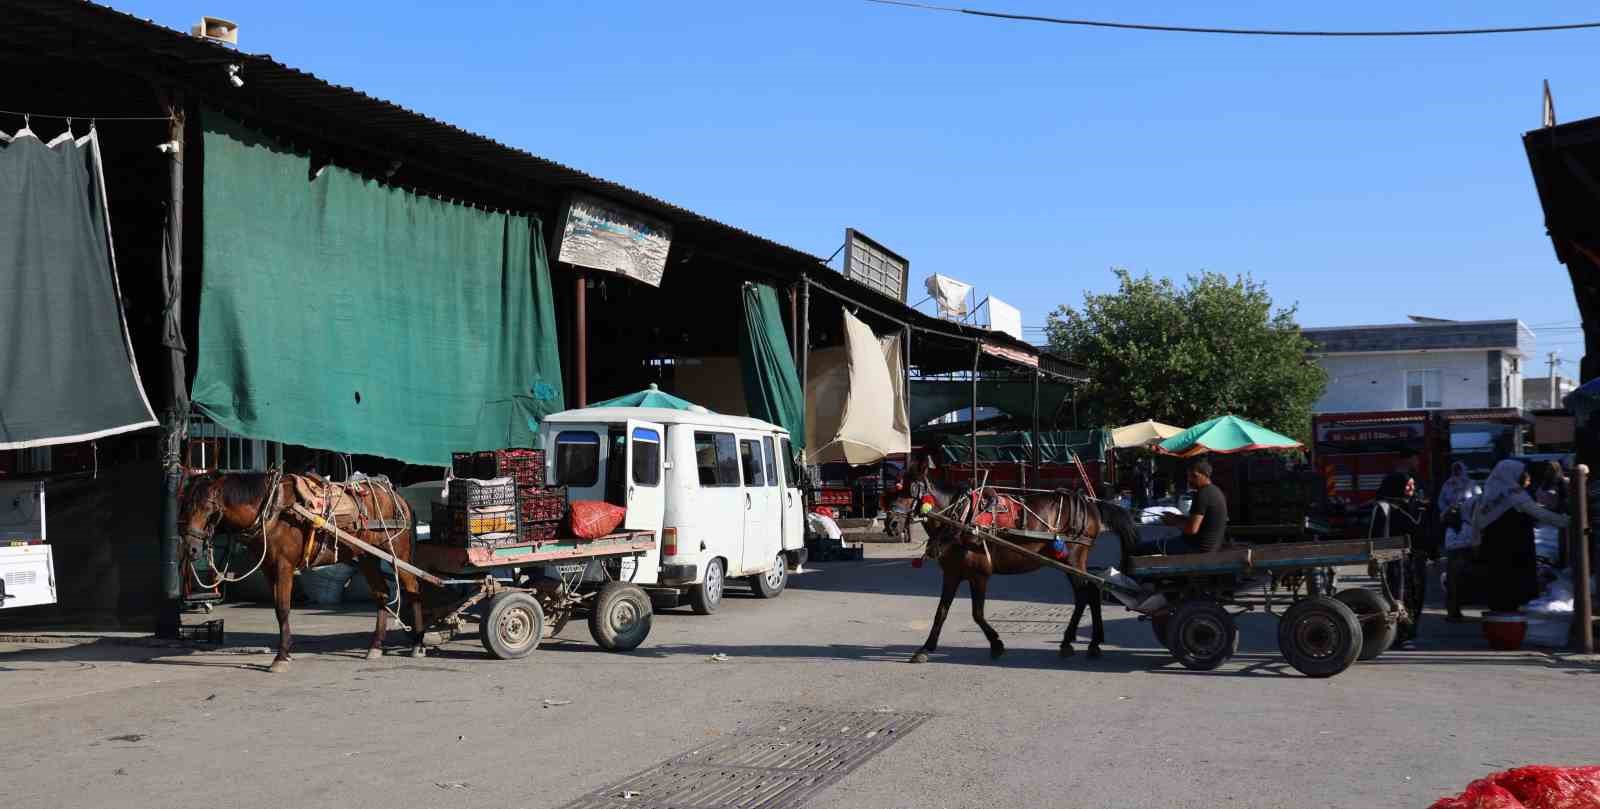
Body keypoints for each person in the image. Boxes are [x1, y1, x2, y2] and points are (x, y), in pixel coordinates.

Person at [1473, 459, 1570, 616]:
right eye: (1521, 473)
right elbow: (1539, 513)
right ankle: (1510, 623)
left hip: (1493, 550)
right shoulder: (1513, 493)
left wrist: (1475, 543)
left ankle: (1499, 619)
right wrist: (1568, 522)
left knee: (1499, 589)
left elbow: (1477, 523)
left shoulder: (1488, 494)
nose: (1525, 476)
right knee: (1512, 590)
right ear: (1511, 474)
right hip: (1514, 550)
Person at [1369, 472, 1425, 645]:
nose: (1412, 488)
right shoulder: (1384, 506)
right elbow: (1376, 534)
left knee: (1416, 596)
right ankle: (1398, 636)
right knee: (1397, 596)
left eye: (1413, 484)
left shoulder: (1414, 505)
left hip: (1413, 559)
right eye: (1408, 485)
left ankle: (1408, 633)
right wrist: (1375, 559)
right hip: (1393, 559)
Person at [1139, 459, 1228, 555]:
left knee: (1143, 548)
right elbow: (1200, 521)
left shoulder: (1202, 494)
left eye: (1193, 476)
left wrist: (1173, 522)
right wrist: (1177, 517)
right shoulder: (1215, 491)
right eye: (1189, 476)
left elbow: (1192, 529)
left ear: (1202, 475)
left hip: (1196, 548)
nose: (1189, 480)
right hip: (1206, 547)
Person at [1437, 462, 1481, 622]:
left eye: (1458, 470)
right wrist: (1448, 511)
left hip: (1467, 535)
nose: (1456, 473)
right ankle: (1453, 610)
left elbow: (1479, 506)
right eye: (1454, 470)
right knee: (1453, 575)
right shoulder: (1447, 485)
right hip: (1454, 534)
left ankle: (1459, 606)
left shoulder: (1472, 486)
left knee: (1461, 574)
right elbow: (1440, 504)